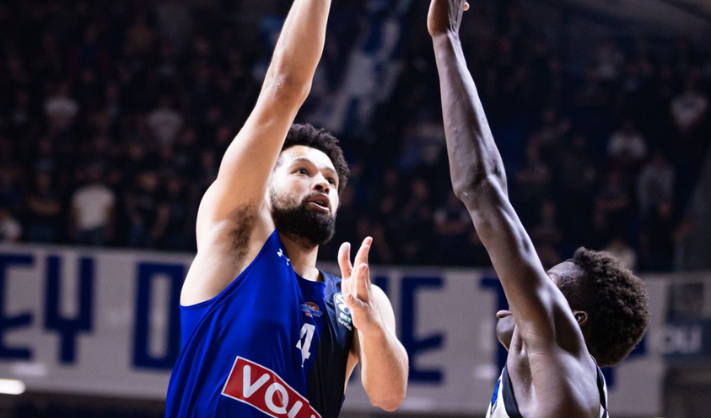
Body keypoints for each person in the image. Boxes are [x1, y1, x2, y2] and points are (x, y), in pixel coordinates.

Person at [165, 0, 408, 416]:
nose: (321, 183)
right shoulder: (236, 236)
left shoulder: (354, 298)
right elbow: (284, 89)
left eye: (330, 181)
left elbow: (389, 396)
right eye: (302, 171)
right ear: (265, 186)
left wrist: (370, 326)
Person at [427, 1, 650, 417]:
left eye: (546, 282)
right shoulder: (560, 381)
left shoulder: (566, 373)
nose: (524, 285)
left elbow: (481, 187)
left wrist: (446, 39)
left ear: (574, 320)